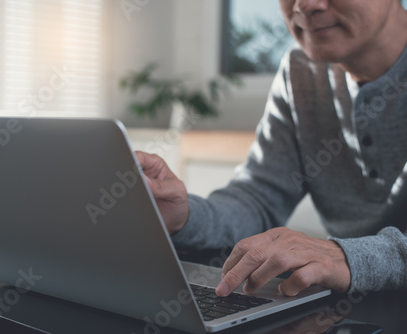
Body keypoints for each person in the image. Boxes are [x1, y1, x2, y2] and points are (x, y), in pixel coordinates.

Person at [136, 0, 407, 298]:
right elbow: (259, 198)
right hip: (351, 307)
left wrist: (348, 257)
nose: (304, 6)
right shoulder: (300, 69)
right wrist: (187, 217)